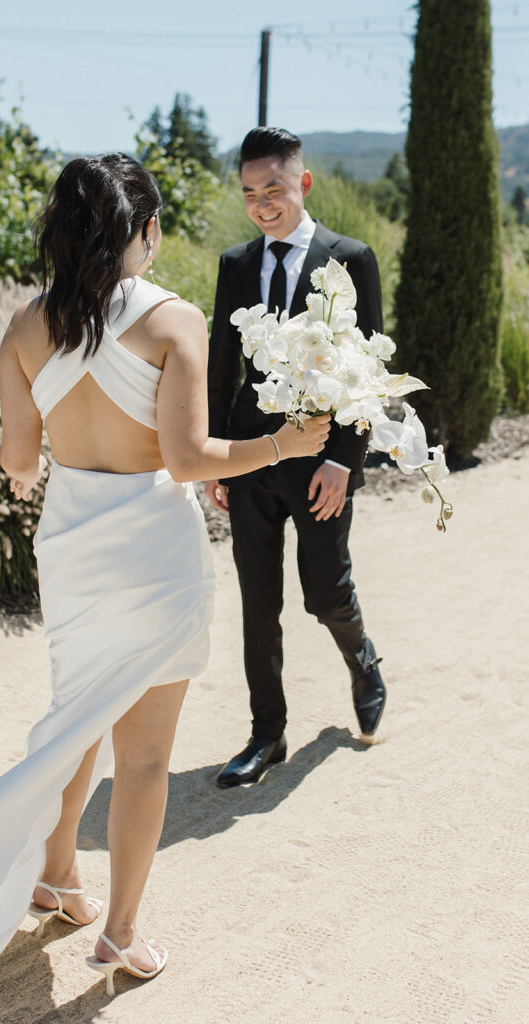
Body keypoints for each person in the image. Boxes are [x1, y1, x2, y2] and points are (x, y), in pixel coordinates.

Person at [0, 153, 331, 1022]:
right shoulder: (172, 321)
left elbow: (20, 462)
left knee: (75, 725)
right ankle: (119, 931)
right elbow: (186, 459)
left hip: (71, 547)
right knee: (142, 757)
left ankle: (58, 876)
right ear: (144, 231)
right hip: (151, 547)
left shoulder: (25, 328)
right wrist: (284, 446)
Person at [205, 127, 387, 790]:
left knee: (324, 592)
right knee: (257, 601)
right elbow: (220, 369)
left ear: (301, 184)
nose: (261, 203)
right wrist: (216, 458)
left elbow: (364, 370)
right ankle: (265, 735)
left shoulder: (350, 259)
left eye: (273, 188)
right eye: (250, 191)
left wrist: (343, 460)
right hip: (251, 458)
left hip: (318, 465)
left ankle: (361, 659)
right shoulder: (233, 264)